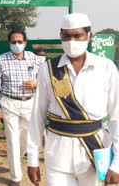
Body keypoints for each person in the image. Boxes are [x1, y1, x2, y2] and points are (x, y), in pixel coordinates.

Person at [27, 13, 119, 186]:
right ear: (60, 37)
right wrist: (32, 158)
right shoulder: (47, 70)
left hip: (94, 152)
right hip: (57, 155)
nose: (72, 41)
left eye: (77, 35)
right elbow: (37, 115)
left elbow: (116, 117)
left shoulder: (106, 68)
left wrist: (117, 162)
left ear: (89, 36)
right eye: (66, 36)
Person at [0, 30, 40, 186]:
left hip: (29, 103)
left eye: (19, 41)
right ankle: (15, 177)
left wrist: (35, 84)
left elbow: (44, 79)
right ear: (9, 43)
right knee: (12, 139)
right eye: (13, 42)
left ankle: (15, 159)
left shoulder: (34, 58)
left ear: (25, 43)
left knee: (26, 138)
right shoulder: (2, 60)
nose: (16, 44)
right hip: (9, 103)